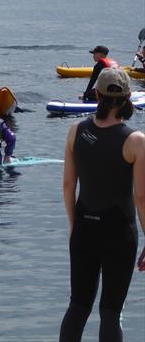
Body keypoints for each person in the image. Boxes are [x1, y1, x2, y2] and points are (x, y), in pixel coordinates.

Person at [59, 68, 145, 341]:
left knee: (78, 306)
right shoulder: (136, 141)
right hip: (119, 232)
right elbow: (141, 197)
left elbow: (68, 186)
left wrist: (75, 226)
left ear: (96, 94)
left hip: (84, 228)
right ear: (128, 97)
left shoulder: (76, 131)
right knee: (110, 311)